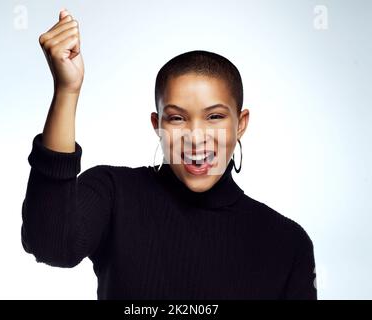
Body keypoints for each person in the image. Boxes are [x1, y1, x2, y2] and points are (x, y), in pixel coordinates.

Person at [21, 9, 317, 300]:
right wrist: (67, 90)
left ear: (240, 124)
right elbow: (51, 243)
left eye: (214, 117)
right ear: (157, 124)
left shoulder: (287, 242)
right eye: (177, 118)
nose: (196, 137)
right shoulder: (114, 193)